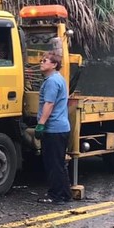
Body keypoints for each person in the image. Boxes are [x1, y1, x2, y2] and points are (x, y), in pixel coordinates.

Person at [35, 52, 72, 204]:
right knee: (58, 163)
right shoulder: (58, 79)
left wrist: (41, 124)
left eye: (45, 61)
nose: (41, 63)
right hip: (60, 128)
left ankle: (57, 196)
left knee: (54, 164)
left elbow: (49, 104)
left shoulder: (51, 81)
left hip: (54, 128)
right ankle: (64, 194)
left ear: (54, 64)